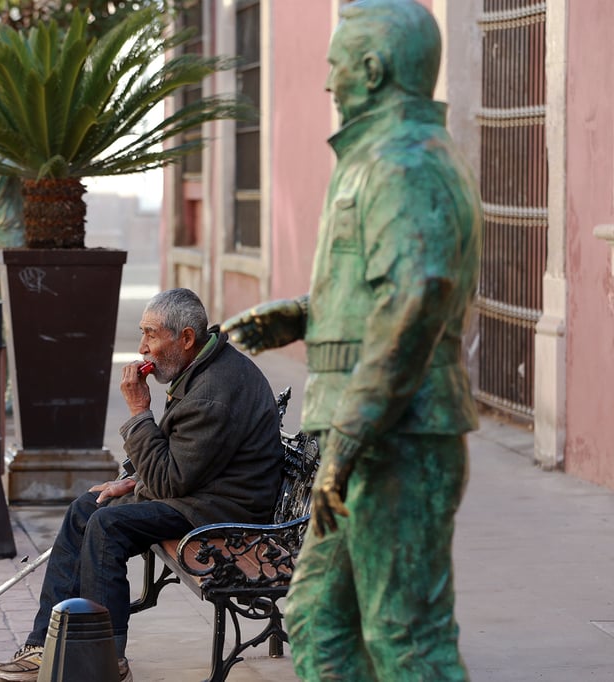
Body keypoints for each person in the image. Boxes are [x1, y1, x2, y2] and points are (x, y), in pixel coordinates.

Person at [222, 1, 482, 679]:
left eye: (336, 66)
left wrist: (350, 440)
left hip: (394, 438)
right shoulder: (379, 159)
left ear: (373, 69)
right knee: (318, 620)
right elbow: (383, 295)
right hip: (370, 437)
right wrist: (306, 316)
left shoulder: (403, 163)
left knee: (407, 637)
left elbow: (416, 300)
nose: (328, 83)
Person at [0, 288, 285, 681]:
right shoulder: (200, 370)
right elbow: (181, 462)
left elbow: (170, 480)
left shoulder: (214, 391)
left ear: (185, 339)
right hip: (204, 491)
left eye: (152, 334)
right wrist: (132, 482)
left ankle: (106, 657)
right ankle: (45, 643)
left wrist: (137, 412)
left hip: (228, 508)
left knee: (108, 527)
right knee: (87, 508)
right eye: (142, 333)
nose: (143, 347)